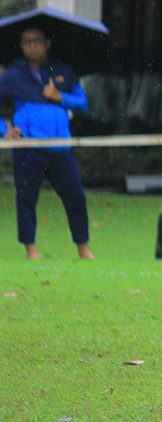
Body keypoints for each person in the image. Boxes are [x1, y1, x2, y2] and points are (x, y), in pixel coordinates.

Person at [0, 26, 94, 259]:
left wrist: (58, 96)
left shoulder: (63, 71)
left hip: (61, 147)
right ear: (21, 46)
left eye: (37, 41)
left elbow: (82, 104)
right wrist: (4, 131)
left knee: (75, 197)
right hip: (29, 148)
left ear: (48, 43)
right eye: (26, 42)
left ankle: (84, 249)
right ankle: (30, 249)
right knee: (27, 198)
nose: (32, 45)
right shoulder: (12, 75)